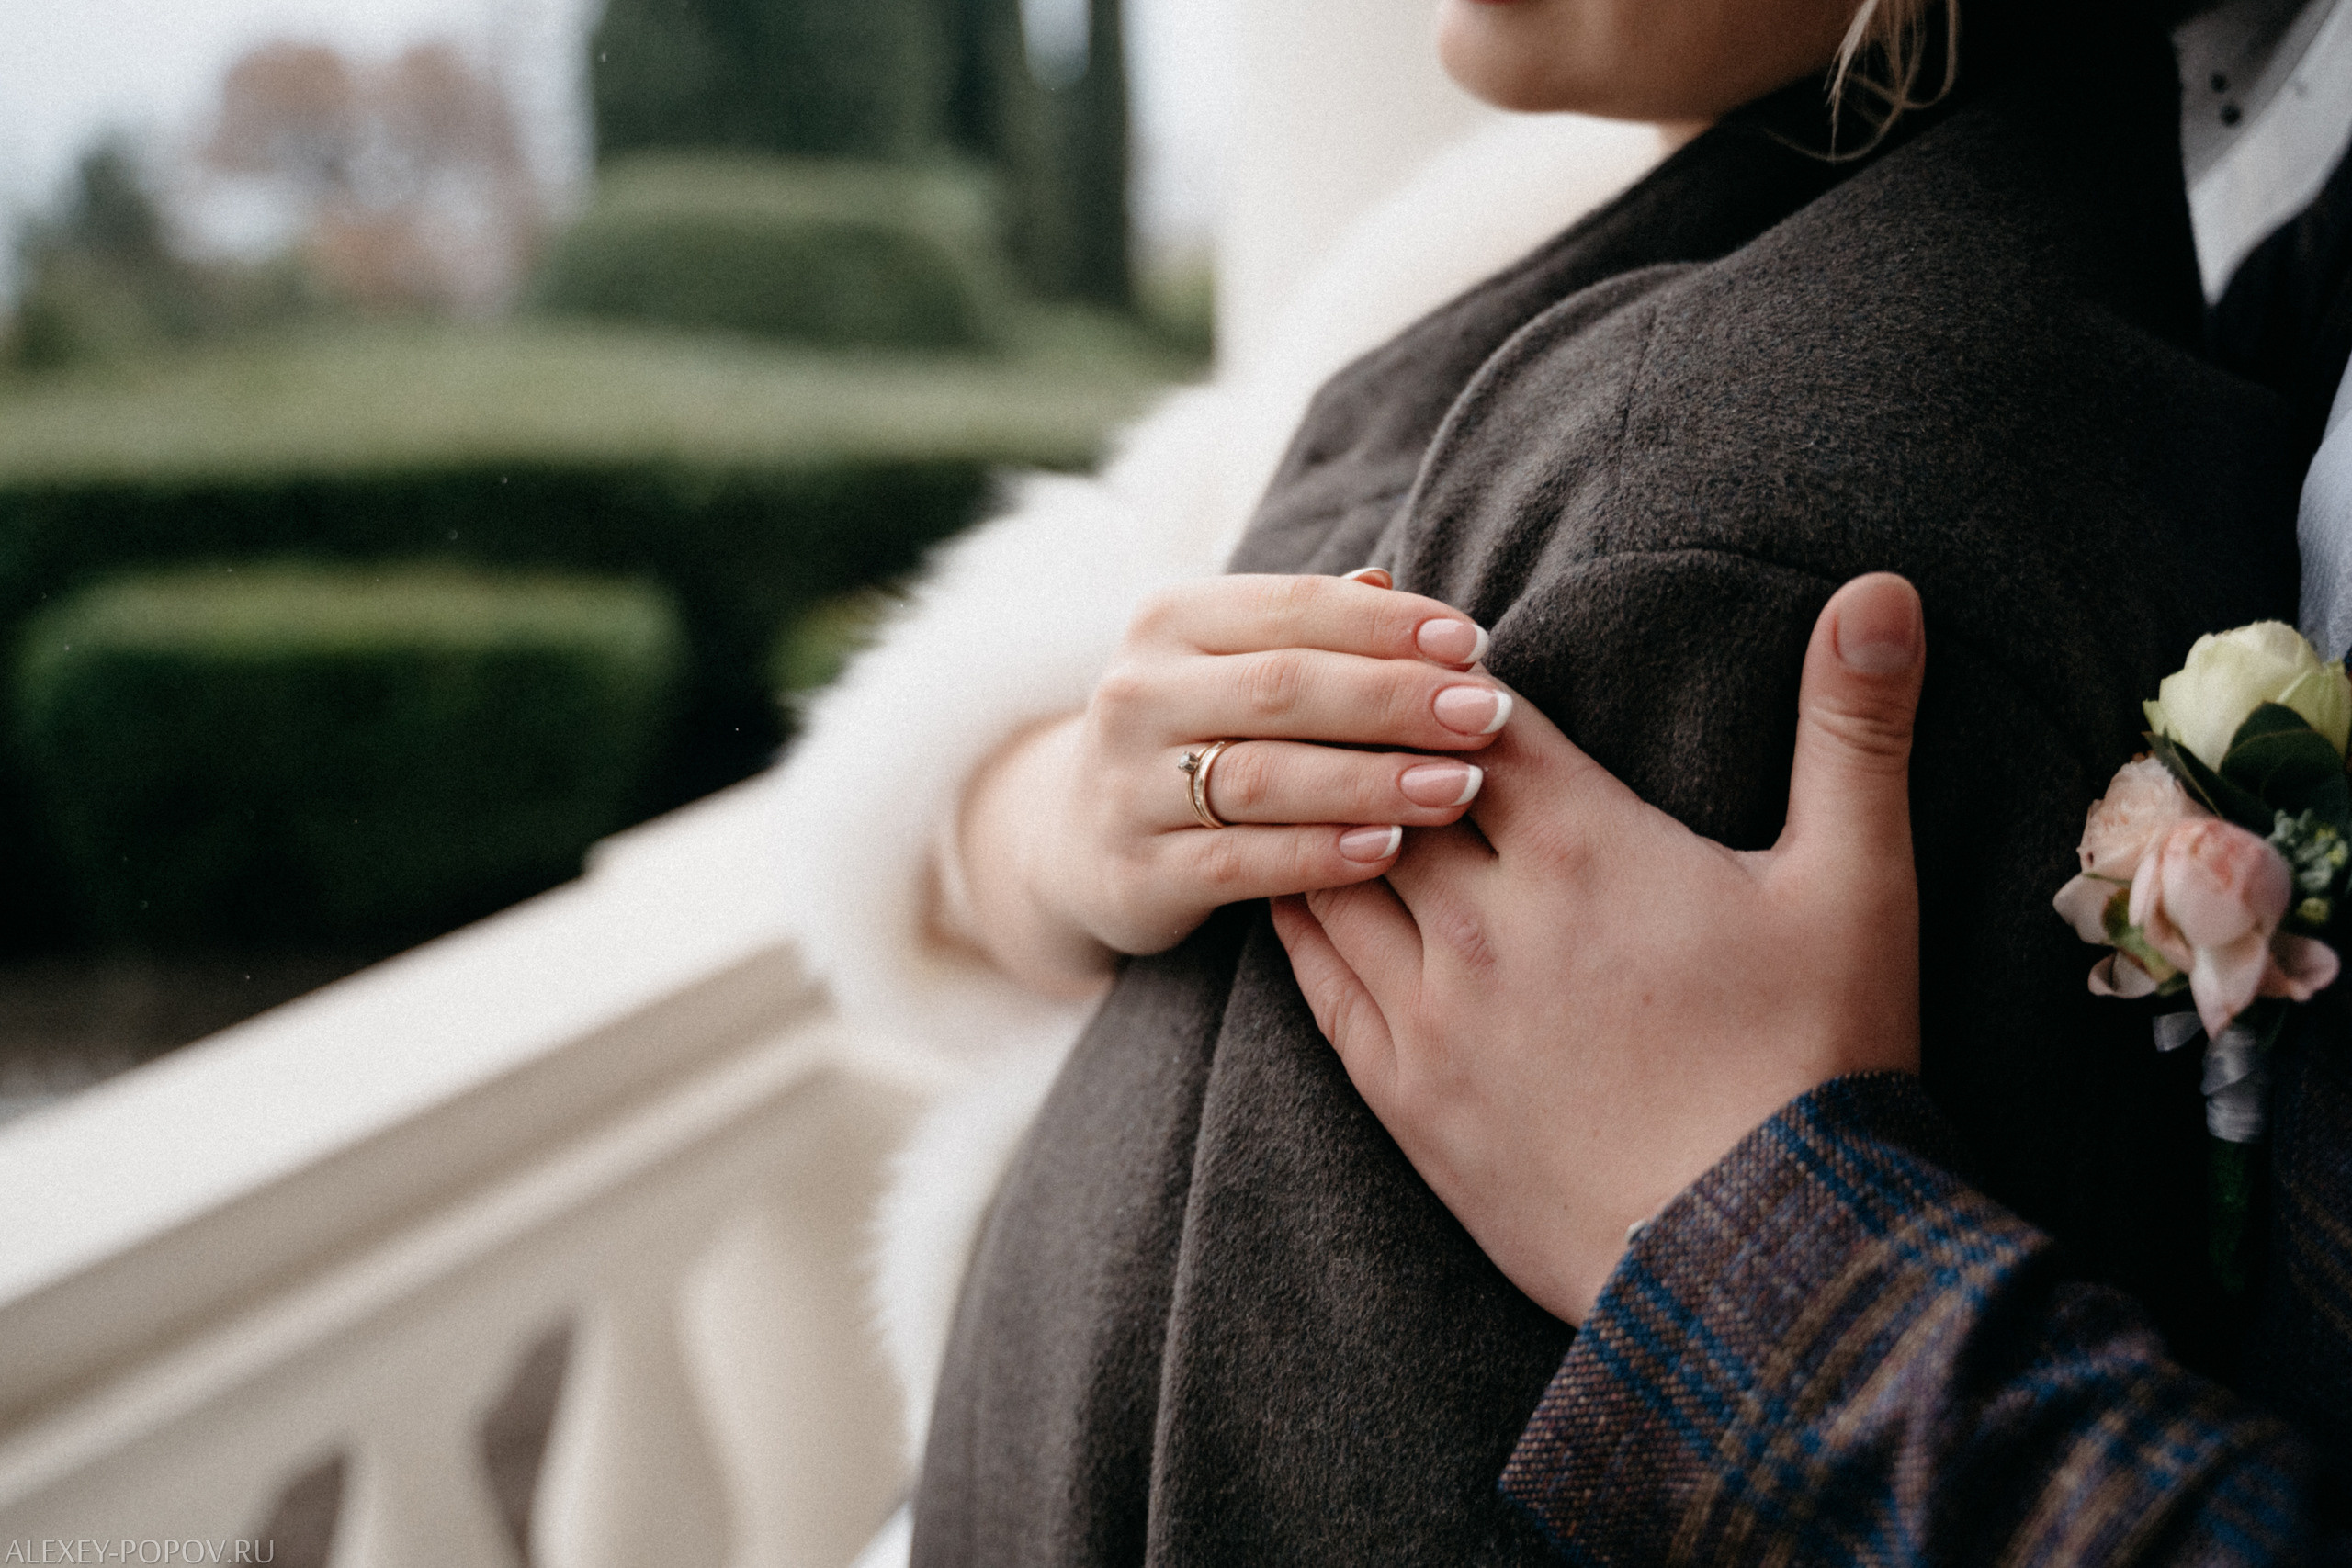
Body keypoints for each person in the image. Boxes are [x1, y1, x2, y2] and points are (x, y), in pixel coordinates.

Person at [777, 0, 2333, 1562]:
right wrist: (1052, 821)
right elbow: (1030, 643)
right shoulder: (1532, 238)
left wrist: (1767, 1249)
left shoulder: (1719, 504)